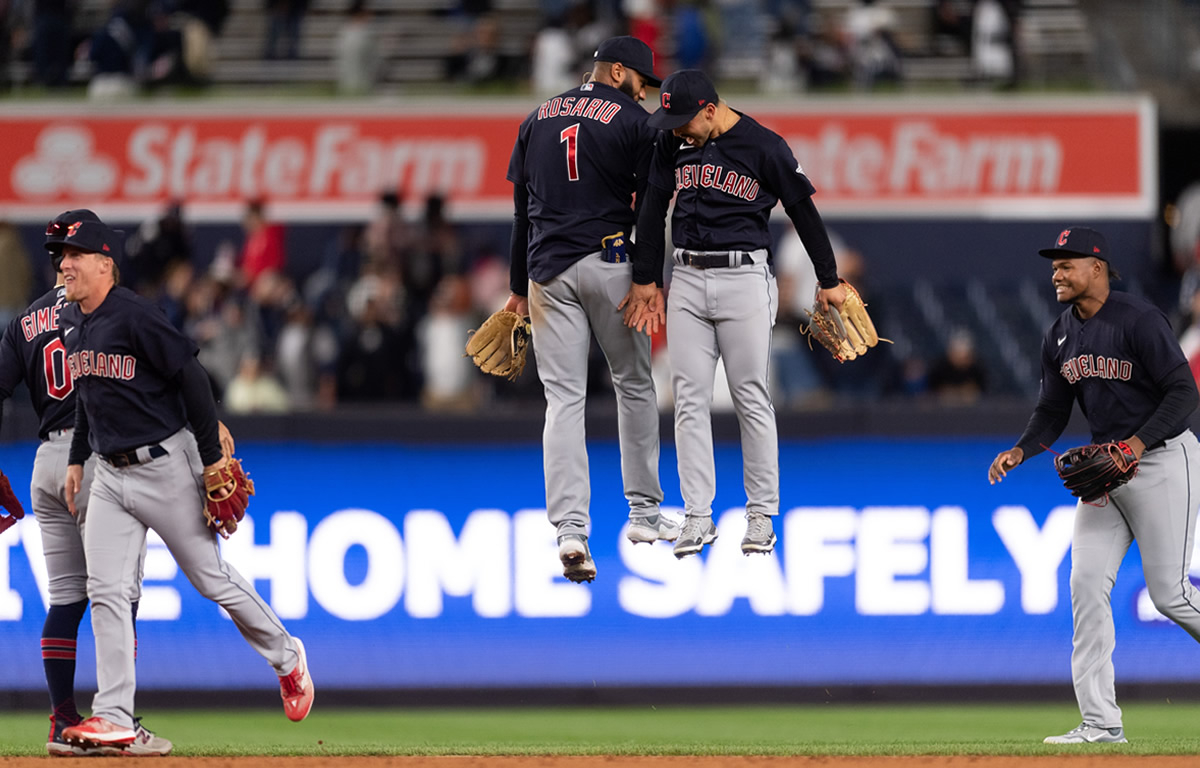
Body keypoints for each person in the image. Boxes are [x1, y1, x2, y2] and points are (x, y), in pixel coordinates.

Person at [40, 209, 313, 751]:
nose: (63, 266)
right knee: (107, 592)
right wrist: (75, 458)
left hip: (167, 465)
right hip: (109, 475)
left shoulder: (135, 315)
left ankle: (288, 657)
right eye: (59, 257)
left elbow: (191, 376)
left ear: (103, 263)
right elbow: (89, 398)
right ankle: (116, 716)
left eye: (72, 256)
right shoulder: (71, 321)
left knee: (211, 578)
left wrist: (211, 458)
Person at [988, 226, 1200, 745]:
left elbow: (1183, 394)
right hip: (1107, 469)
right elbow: (1053, 410)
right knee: (1085, 587)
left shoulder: (1139, 319)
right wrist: (1023, 448)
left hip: (1163, 459)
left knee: (1170, 595)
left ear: (1097, 268)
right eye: (1054, 264)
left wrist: (1136, 445)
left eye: (1067, 263)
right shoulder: (1060, 334)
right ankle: (1101, 723)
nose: (1056, 272)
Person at [626, 69, 846, 559]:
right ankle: (697, 515)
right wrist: (646, 277)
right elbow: (653, 208)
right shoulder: (672, 143)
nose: (677, 129)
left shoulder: (763, 145)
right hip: (685, 275)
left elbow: (803, 211)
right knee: (687, 399)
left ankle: (761, 514)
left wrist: (828, 279)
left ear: (710, 108)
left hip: (744, 276)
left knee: (751, 395)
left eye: (685, 119)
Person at [503, 36, 675, 583]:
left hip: (545, 273)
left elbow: (520, 213)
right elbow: (651, 206)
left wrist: (515, 289)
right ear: (618, 72)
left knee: (563, 401)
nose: (645, 93)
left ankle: (571, 530)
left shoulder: (537, 117)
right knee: (634, 384)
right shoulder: (636, 123)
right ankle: (644, 513)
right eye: (642, 82)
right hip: (611, 263)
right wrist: (647, 276)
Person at [0, 224, 173, 757]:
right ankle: (115, 718)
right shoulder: (101, 310)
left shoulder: (25, 320)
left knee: (67, 599)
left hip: (46, 464)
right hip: (97, 457)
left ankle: (62, 721)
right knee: (118, 596)